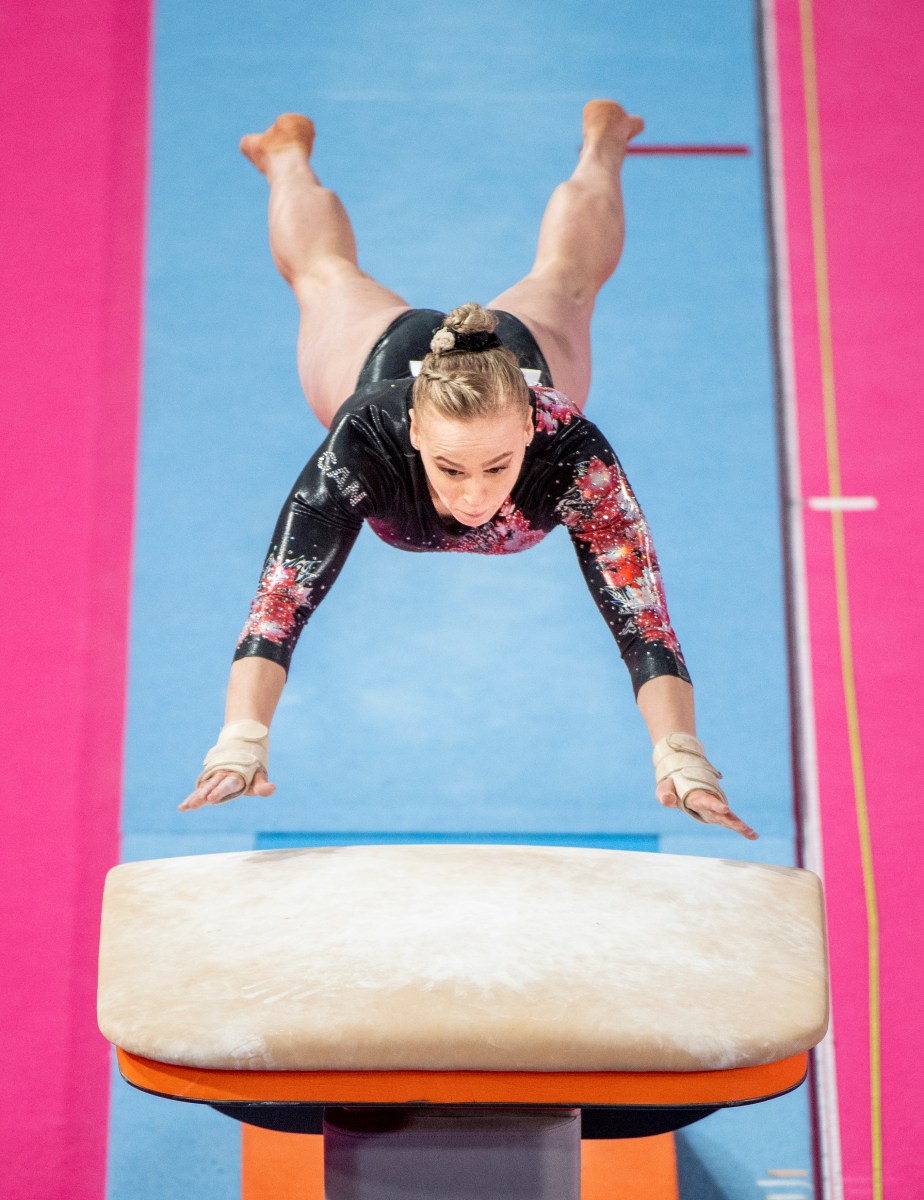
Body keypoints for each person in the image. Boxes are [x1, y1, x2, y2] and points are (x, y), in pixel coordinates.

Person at [179, 100, 758, 841]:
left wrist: (681, 759)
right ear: (415, 431)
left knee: (570, 279)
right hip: (382, 358)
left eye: (498, 464)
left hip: (513, 351)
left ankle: (604, 141)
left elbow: (643, 621)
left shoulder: (571, 453)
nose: (476, 493)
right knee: (323, 279)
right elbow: (279, 606)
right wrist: (241, 740)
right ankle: (284, 154)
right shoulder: (368, 441)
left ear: (531, 424)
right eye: (451, 469)